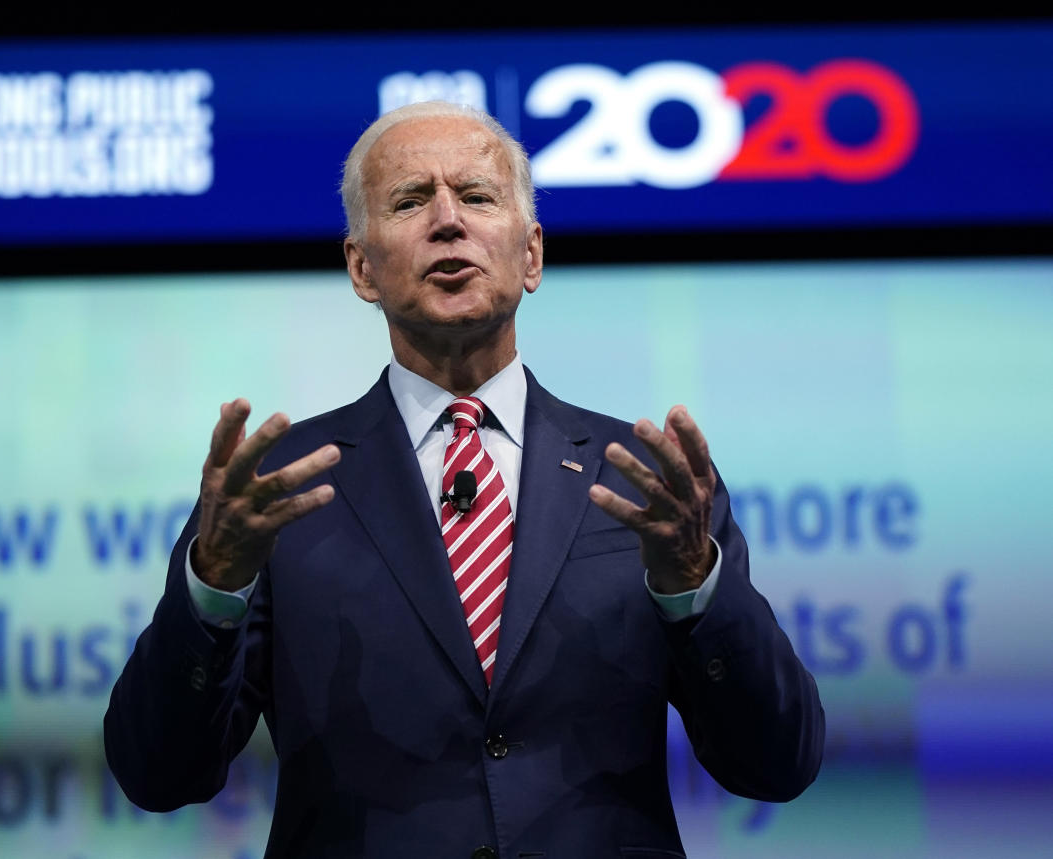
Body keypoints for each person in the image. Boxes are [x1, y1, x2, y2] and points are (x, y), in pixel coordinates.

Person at [104, 101, 823, 858]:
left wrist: (696, 591)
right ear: (361, 267)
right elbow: (158, 775)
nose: (448, 220)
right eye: (410, 201)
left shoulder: (652, 484)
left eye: (477, 196)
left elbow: (779, 763)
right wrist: (212, 587)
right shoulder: (273, 492)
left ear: (532, 254)